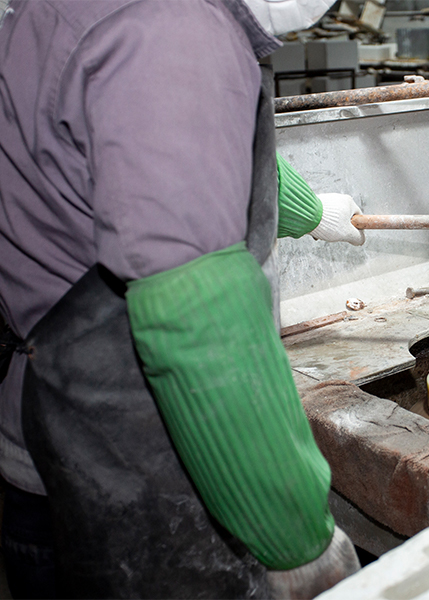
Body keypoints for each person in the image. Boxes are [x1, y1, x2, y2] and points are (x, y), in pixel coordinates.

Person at [0, 0, 364, 597]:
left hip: (56, 435)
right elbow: (194, 320)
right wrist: (297, 542)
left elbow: (159, 148)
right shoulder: (173, 24)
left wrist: (307, 211)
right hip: (119, 477)